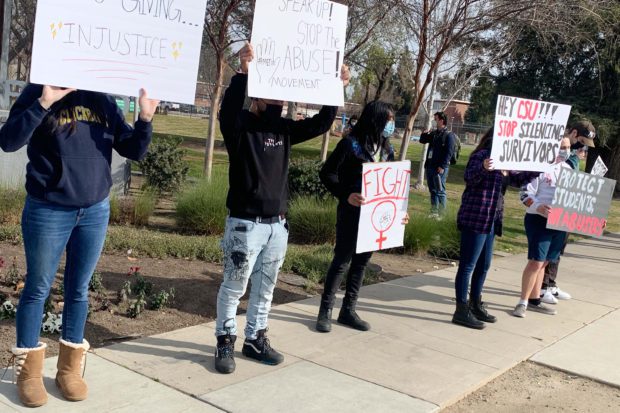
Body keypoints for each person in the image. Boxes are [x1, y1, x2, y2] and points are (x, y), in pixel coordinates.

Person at [0, 84, 158, 407]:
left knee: (78, 290)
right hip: (48, 209)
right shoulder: (38, 90)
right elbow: (9, 140)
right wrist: (44, 102)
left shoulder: (101, 95)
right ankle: (28, 373)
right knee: (37, 289)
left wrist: (144, 119)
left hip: (94, 210)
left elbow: (132, 148)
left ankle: (69, 369)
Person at [213, 42, 351, 374]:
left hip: (277, 226)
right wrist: (243, 73)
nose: (278, 100)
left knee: (265, 288)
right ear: (257, 94)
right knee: (235, 286)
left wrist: (337, 87)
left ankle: (255, 339)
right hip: (245, 225)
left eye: (281, 96)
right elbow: (227, 112)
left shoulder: (284, 129)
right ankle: (225, 343)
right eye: (271, 93)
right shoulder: (240, 126)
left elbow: (320, 124)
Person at [315, 101, 408, 333]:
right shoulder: (350, 145)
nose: (391, 125)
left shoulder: (387, 151)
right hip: (351, 214)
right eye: (388, 120)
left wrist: (399, 213)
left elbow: (391, 186)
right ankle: (325, 311)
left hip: (375, 218)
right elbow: (327, 173)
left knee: (361, 264)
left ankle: (348, 310)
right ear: (375, 119)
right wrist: (346, 194)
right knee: (341, 262)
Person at [452, 128, 538, 329]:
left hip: (492, 219)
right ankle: (461, 309)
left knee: (485, 264)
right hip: (476, 216)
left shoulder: (507, 161)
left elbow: (518, 179)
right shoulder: (482, 156)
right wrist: (483, 167)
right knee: (468, 265)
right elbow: (469, 177)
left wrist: (538, 168)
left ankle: (475, 303)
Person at [513, 137, 573, 318]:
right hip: (538, 220)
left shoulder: (568, 169)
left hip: (559, 222)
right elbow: (525, 194)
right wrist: (537, 206)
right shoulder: (537, 167)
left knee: (546, 261)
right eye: (562, 147)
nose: (565, 150)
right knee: (536, 261)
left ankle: (534, 299)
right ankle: (522, 302)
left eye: (568, 147)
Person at [540, 121, 596, 304]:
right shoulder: (559, 148)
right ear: (573, 133)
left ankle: (550, 284)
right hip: (552, 203)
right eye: (582, 141)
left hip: (567, 205)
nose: (583, 147)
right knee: (549, 249)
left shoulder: (573, 153)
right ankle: (542, 286)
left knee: (558, 249)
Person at [419, 111, 457, 217]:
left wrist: (442, 166)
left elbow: (449, 152)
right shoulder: (434, 133)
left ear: (441, 120)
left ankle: (442, 214)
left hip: (439, 168)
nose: (434, 121)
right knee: (433, 190)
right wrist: (424, 133)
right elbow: (422, 141)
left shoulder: (449, 135)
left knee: (440, 190)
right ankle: (434, 212)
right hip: (430, 166)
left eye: (436, 119)